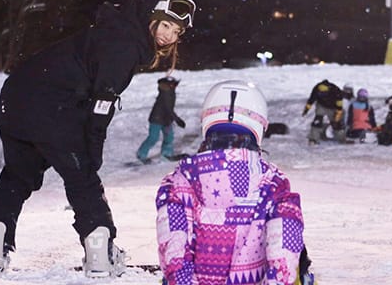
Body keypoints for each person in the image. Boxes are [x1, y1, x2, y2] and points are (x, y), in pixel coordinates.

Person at [0, 0, 196, 277]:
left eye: (176, 31)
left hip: (16, 98)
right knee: (83, 179)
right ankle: (100, 253)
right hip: (52, 104)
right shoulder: (125, 45)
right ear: (147, 16)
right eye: (165, 25)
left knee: (18, 174)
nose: (169, 35)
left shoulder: (112, 32)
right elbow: (102, 103)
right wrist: (92, 150)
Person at [155, 80, 308, 285]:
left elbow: (175, 251)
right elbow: (283, 253)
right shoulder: (273, 183)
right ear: (259, 127)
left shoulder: (179, 182)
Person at [136, 76, 186, 163]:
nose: (175, 86)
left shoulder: (170, 92)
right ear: (169, 85)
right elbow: (168, 109)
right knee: (153, 138)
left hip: (166, 119)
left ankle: (166, 154)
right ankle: (141, 154)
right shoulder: (166, 93)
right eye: (174, 84)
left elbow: (169, 110)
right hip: (157, 119)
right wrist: (178, 120)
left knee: (169, 137)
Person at [302, 79, 345, 145]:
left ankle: (341, 138)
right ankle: (313, 138)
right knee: (317, 121)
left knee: (336, 123)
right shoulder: (316, 89)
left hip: (333, 107)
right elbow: (311, 100)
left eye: (324, 93)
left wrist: (337, 117)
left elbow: (339, 107)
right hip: (321, 105)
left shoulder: (336, 91)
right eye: (320, 93)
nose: (322, 95)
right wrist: (306, 110)